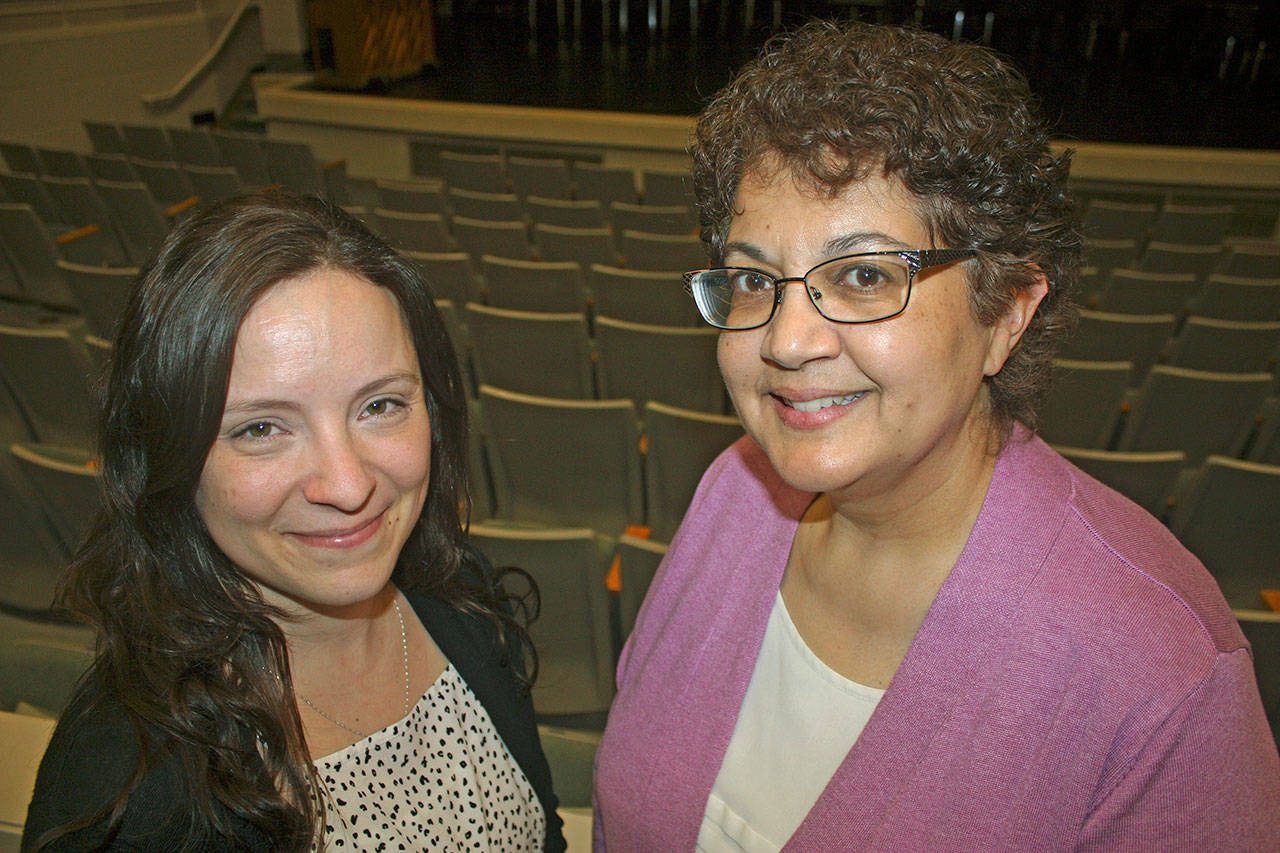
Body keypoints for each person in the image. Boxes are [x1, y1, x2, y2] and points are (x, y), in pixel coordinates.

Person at [593, 21, 1280, 851]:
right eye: (753, 279)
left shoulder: (1160, 675)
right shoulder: (732, 491)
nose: (785, 340)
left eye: (864, 275)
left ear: (1007, 312)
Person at [23, 191, 566, 852]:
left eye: (381, 405)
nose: (348, 484)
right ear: (171, 454)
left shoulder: (465, 603)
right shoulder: (127, 793)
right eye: (261, 427)